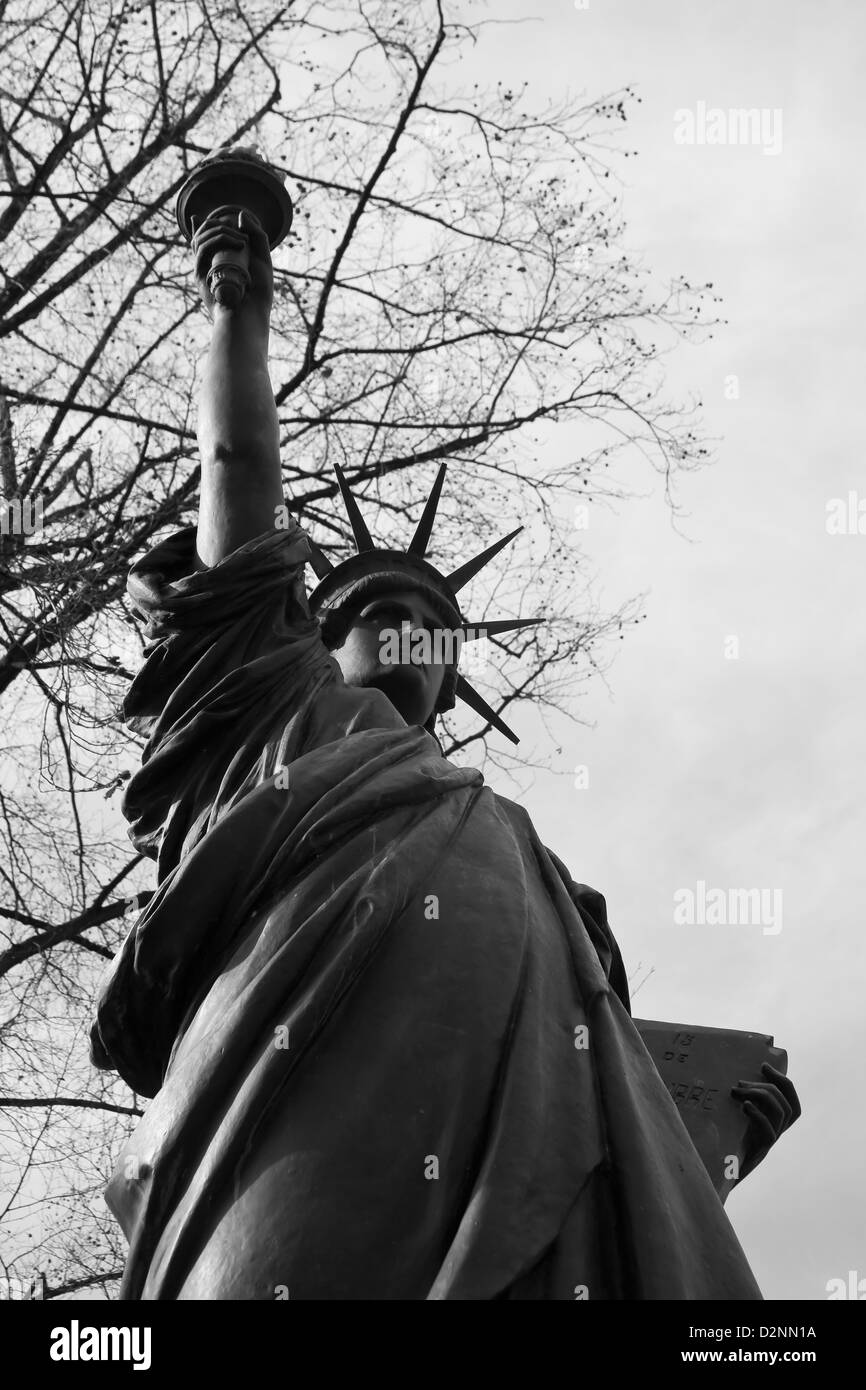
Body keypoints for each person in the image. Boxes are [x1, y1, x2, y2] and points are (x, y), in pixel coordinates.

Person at [90, 208, 798, 1300]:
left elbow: (585, 1108)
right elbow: (236, 475)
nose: (412, 631)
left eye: (434, 623)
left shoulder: (522, 852)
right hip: (292, 1148)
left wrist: (704, 1135)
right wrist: (234, 312)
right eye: (381, 607)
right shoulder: (284, 712)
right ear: (317, 639)